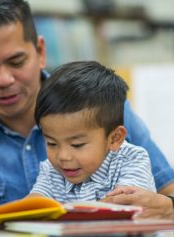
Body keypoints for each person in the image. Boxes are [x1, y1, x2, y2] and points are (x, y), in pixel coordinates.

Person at [0, 0, 174, 227]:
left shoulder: (103, 108)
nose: (4, 80)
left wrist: (170, 207)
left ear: (40, 52)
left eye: (17, 61)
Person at [29, 61, 156, 201]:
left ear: (114, 138)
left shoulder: (132, 159)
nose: (63, 156)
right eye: (52, 143)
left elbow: (122, 204)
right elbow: (35, 202)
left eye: (77, 145)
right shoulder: (50, 170)